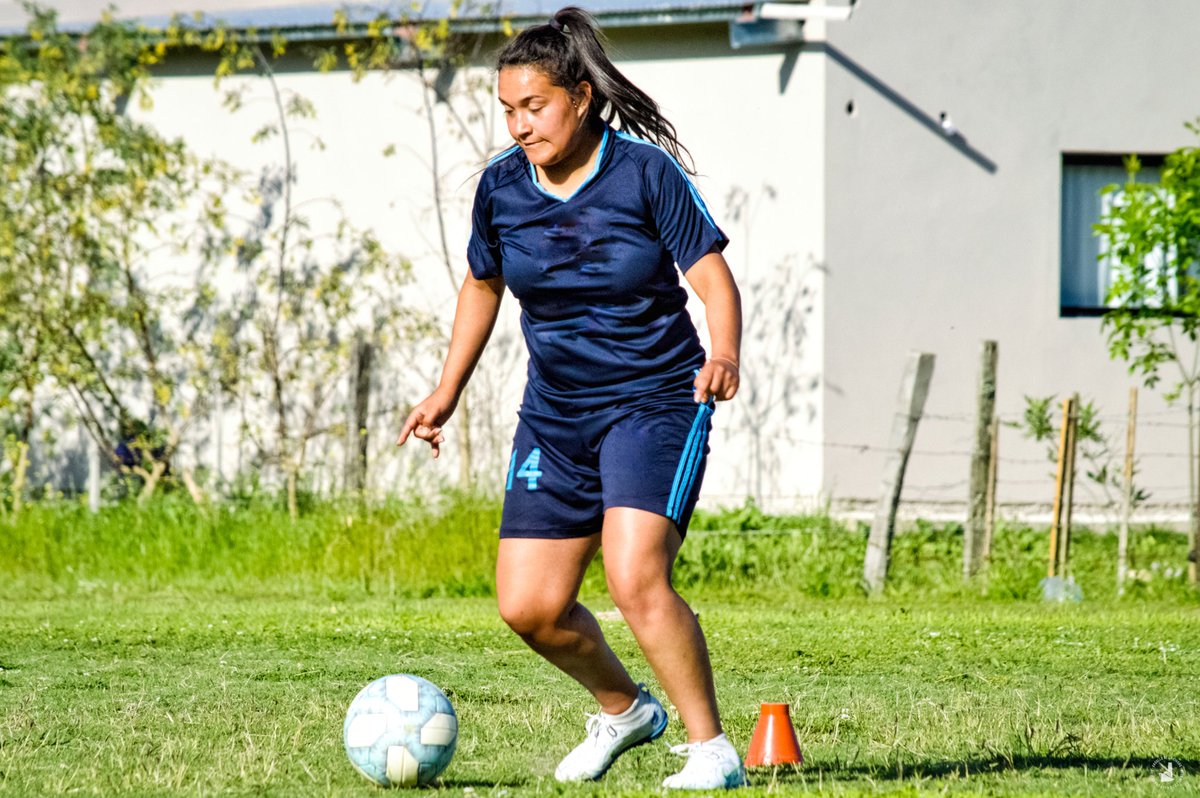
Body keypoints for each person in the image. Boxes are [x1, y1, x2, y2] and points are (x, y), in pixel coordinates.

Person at [398, 6, 745, 790]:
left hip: (654, 402)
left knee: (635, 576)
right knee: (529, 607)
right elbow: (482, 283)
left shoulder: (645, 174)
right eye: (508, 110)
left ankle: (712, 751)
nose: (520, 125)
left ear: (581, 98)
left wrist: (724, 352)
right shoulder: (501, 188)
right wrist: (447, 391)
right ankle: (625, 711)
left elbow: (713, 277)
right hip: (555, 416)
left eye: (535, 106)